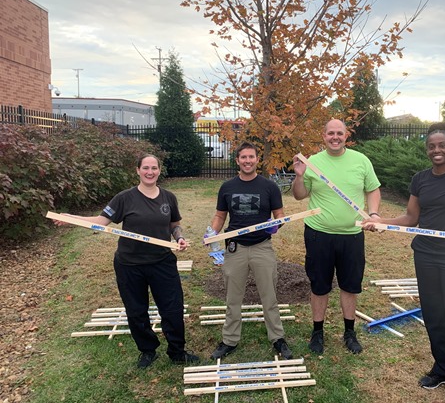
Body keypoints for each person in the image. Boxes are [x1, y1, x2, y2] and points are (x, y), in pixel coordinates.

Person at [362, 122, 445, 403]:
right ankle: (443, 368)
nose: (437, 150)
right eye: (432, 146)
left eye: (442, 145)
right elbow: (411, 218)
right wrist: (380, 222)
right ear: (427, 150)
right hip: (426, 255)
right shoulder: (420, 180)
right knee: (434, 316)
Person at [54, 154, 199, 369]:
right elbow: (101, 221)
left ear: (159, 170)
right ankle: (148, 350)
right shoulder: (124, 198)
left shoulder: (168, 198)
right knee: (136, 310)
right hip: (130, 265)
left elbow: (174, 224)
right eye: (145, 168)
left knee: (172, 309)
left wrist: (179, 237)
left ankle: (177, 351)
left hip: (162, 262)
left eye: (154, 168)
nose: (150, 172)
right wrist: (71, 218)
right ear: (138, 170)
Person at [292, 119, 381, 355]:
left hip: (351, 235)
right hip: (318, 234)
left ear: (345, 136)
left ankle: (349, 332)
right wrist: (299, 176)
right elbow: (299, 196)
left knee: (349, 285)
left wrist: (373, 214)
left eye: (339, 133)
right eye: (330, 133)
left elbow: (372, 189)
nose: (335, 137)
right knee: (319, 285)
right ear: (323, 136)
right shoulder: (313, 162)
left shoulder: (360, 160)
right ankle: (317, 332)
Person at [207, 141, 293, 360]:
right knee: (233, 297)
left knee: (269, 295)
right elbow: (220, 216)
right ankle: (229, 340)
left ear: (257, 160)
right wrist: (211, 232)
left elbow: (279, 215)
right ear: (237, 160)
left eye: (251, 157)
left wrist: (276, 224)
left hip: (262, 247)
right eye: (243, 157)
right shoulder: (227, 187)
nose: (247, 161)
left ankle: (277, 338)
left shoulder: (269, 187)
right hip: (235, 248)